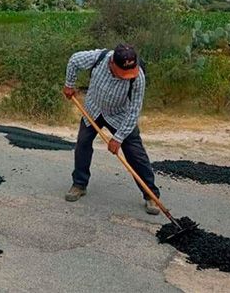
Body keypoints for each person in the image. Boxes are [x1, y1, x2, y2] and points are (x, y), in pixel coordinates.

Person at [62, 44, 161, 215]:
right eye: (123, 73)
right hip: (93, 109)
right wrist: (69, 84)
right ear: (112, 63)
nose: (126, 77)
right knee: (82, 144)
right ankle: (79, 184)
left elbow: (134, 111)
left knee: (135, 153)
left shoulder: (138, 77)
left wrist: (118, 138)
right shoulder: (99, 58)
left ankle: (151, 194)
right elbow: (74, 60)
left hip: (119, 115)